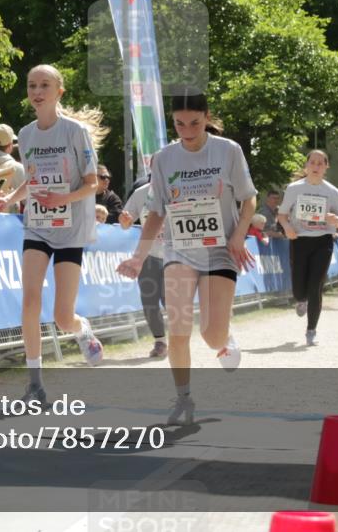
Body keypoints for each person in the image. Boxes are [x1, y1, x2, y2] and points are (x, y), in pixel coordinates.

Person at [117, 92, 257, 426]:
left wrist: (238, 236)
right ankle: (183, 399)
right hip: (179, 251)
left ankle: (224, 338)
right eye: (179, 124)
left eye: (194, 122)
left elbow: (249, 200)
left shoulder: (228, 150)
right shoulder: (164, 158)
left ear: (207, 117)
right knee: (177, 329)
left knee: (211, 335)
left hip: (220, 250)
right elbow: (155, 214)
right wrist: (138, 257)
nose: (187, 130)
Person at [0, 64, 107, 403]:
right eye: (31, 86)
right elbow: (33, 180)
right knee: (29, 300)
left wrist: (63, 199)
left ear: (59, 92)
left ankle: (81, 329)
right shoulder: (25, 135)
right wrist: (9, 200)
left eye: (44, 85)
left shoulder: (74, 132)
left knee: (61, 316)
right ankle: (35, 383)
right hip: (38, 227)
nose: (37, 91)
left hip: (70, 229)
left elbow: (91, 184)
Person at [278, 149, 338, 346]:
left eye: (320, 163)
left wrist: (336, 219)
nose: (316, 167)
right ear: (306, 166)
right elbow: (282, 215)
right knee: (299, 288)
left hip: (322, 241)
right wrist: (288, 227)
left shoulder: (333, 192)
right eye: (312, 163)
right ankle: (301, 299)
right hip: (299, 240)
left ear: (326, 167)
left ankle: (311, 330)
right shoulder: (294, 189)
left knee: (316, 286)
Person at [119, 176, 168, 359]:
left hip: (175, 254)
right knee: (149, 301)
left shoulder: (179, 187)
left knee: (171, 300)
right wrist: (125, 220)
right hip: (148, 254)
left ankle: (181, 339)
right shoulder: (141, 193)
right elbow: (126, 221)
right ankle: (160, 341)